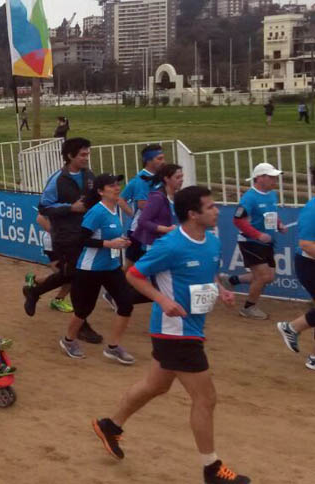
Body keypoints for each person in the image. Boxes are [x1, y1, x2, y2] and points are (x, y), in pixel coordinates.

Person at [91, 186, 250, 484]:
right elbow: (134, 274)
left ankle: (110, 425)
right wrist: (162, 300)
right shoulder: (171, 245)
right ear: (193, 214)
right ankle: (211, 469)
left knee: (156, 385)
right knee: (206, 398)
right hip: (175, 332)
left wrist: (222, 290)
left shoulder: (213, 242)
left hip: (192, 329)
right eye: (211, 206)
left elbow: (208, 274)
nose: (217, 211)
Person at [24, 137, 104, 344]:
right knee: (78, 278)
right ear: (70, 156)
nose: (87, 158)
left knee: (72, 275)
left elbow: (94, 201)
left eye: (88, 154)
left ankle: (35, 291)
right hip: (64, 236)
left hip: (85, 233)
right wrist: (70, 208)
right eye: (83, 154)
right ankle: (82, 326)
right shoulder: (58, 179)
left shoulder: (89, 176)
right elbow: (43, 208)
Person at [59, 174, 135, 363]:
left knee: (126, 303)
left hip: (111, 267)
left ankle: (113, 347)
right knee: (84, 310)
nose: (117, 188)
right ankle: (68, 340)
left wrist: (123, 242)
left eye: (118, 184)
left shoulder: (115, 208)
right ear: (101, 192)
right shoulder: (97, 212)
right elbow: (81, 239)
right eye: (111, 186)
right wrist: (109, 243)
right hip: (90, 269)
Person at [232, 163, 286, 320]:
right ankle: (249, 308)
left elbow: (271, 214)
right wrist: (257, 235)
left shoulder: (272, 194)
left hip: (267, 243)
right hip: (250, 242)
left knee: (269, 277)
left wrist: (279, 225)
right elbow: (238, 220)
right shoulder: (249, 197)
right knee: (262, 276)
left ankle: (233, 280)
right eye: (272, 177)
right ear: (260, 178)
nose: (275, 180)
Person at [277, 186, 315, 369]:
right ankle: (292, 328)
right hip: (310, 265)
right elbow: (306, 244)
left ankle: (292, 328)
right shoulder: (313, 208)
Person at [120, 144, 166, 268]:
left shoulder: (157, 177)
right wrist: (131, 214)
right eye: (159, 159)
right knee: (131, 264)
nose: (163, 162)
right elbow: (142, 204)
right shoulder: (142, 179)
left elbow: (121, 198)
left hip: (151, 227)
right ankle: (121, 286)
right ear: (148, 161)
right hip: (139, 230)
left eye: (163, 158)